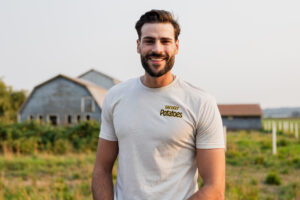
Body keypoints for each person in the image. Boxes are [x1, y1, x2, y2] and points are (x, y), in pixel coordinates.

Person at [92, 9, 225, 200]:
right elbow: (101, 170)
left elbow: (215, 188)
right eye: (149, 41)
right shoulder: (115, 97)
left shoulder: (200, 102)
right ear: (138, 46)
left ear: (176, 46)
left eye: (165, 41)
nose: (157, 49)